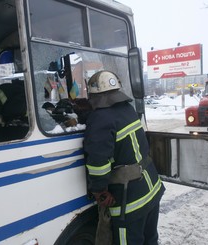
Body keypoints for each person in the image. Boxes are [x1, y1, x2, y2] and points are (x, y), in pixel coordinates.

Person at [83, 70, 165, 244]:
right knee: (150, 240)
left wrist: (99, 190)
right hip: (151, 189)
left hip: (130, 203)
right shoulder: (128, 109)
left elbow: (98, 164)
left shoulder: (99, 119)